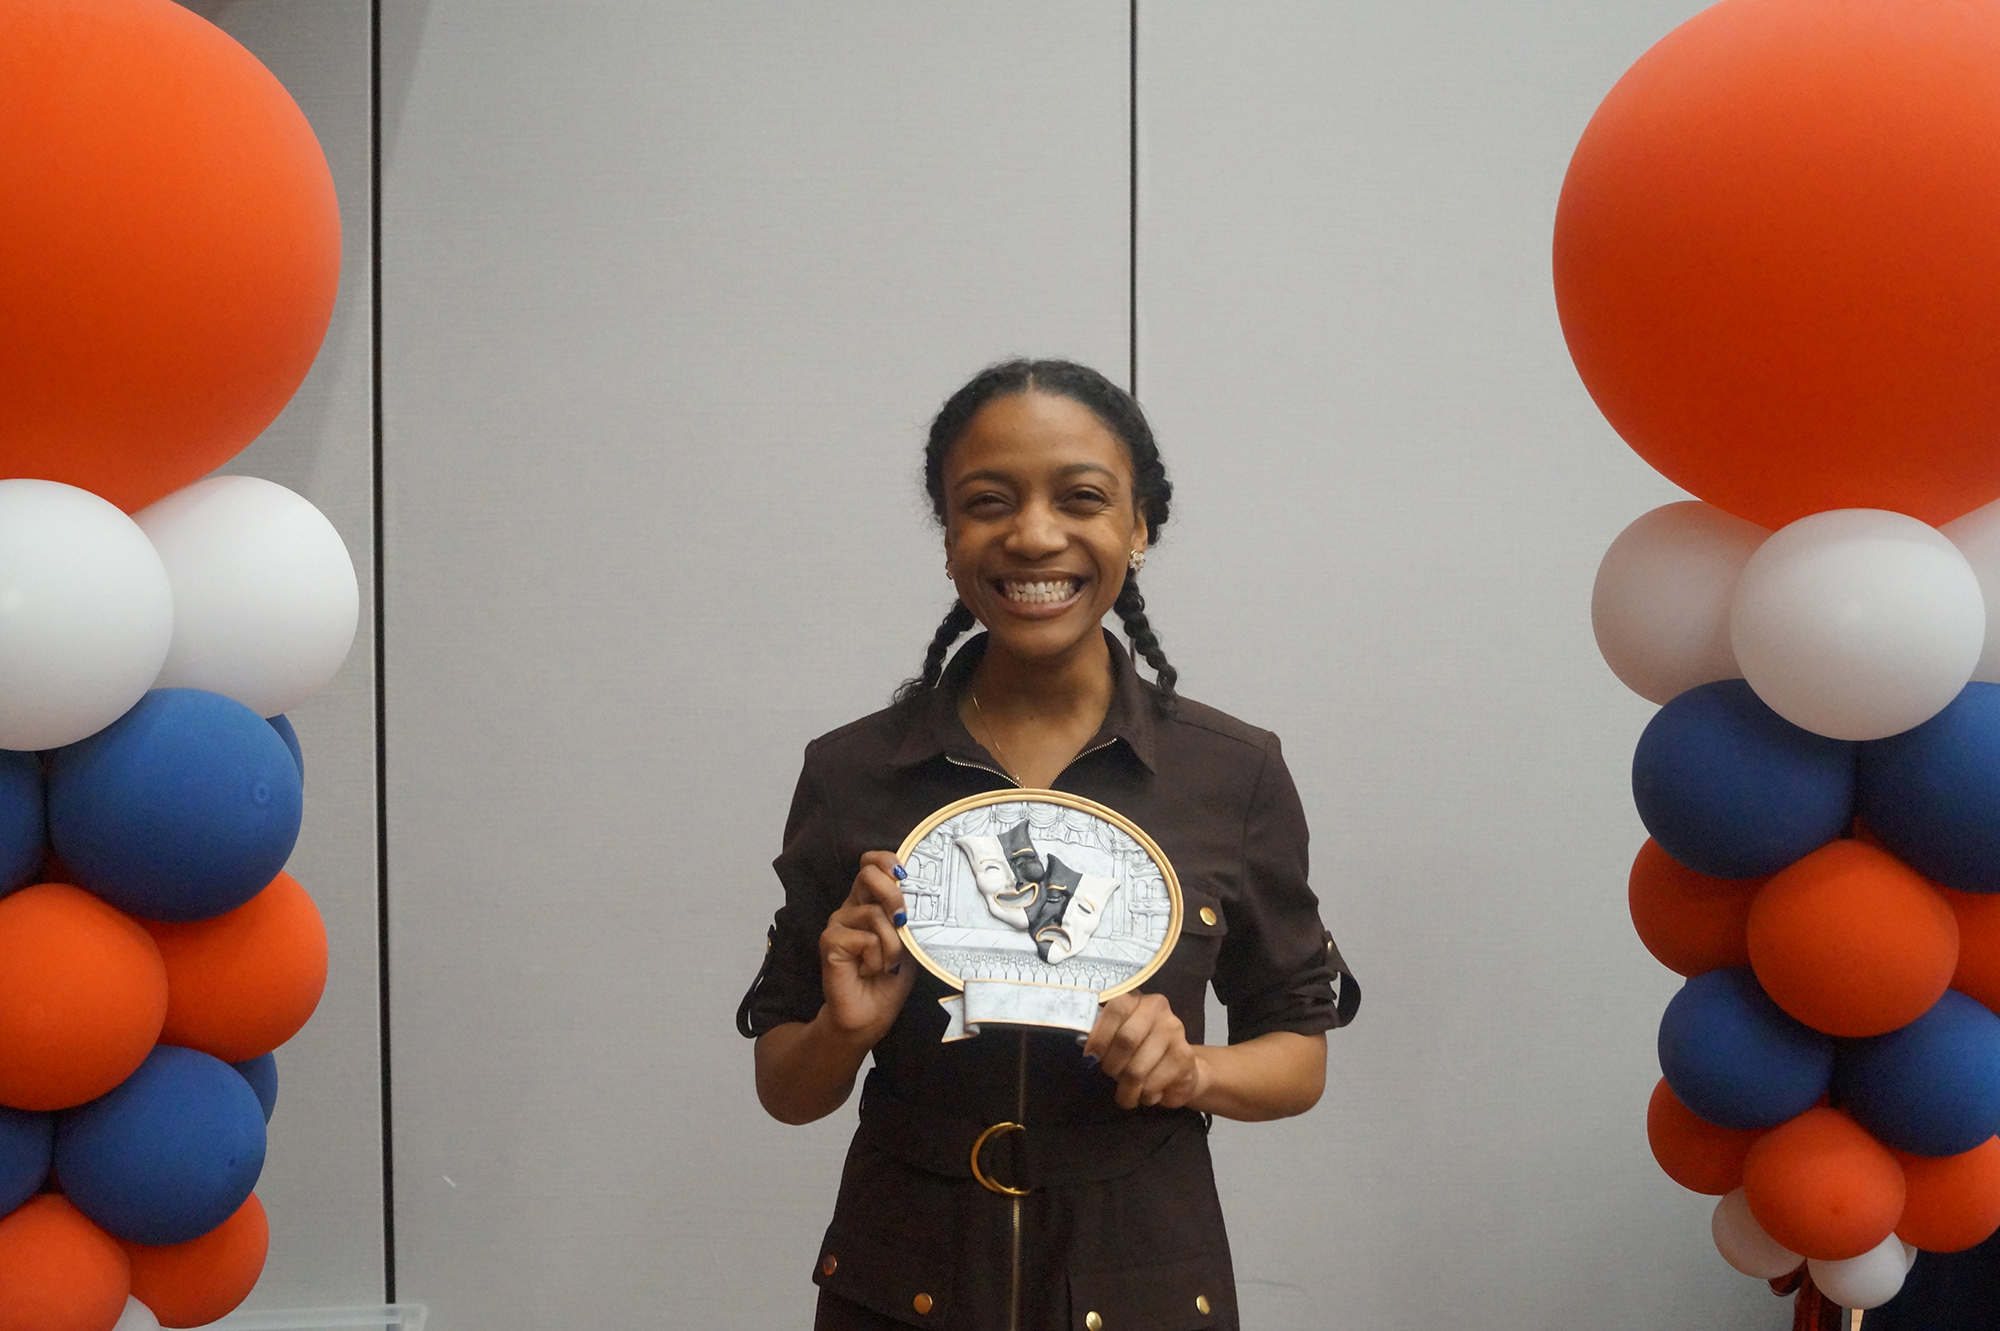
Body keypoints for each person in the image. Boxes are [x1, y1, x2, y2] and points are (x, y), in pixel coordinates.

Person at [738, 359, 1359, 1330]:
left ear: (1138, 526)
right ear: (948, 536)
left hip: (1140, 1279)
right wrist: (843, 1029)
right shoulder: (850, 771)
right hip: (901, 1278)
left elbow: (1296, 1053)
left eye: (1080, 498)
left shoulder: (1230, 771)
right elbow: (784, 1084)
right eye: (986, 501)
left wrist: (1190, 1067)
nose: (1033, 534)